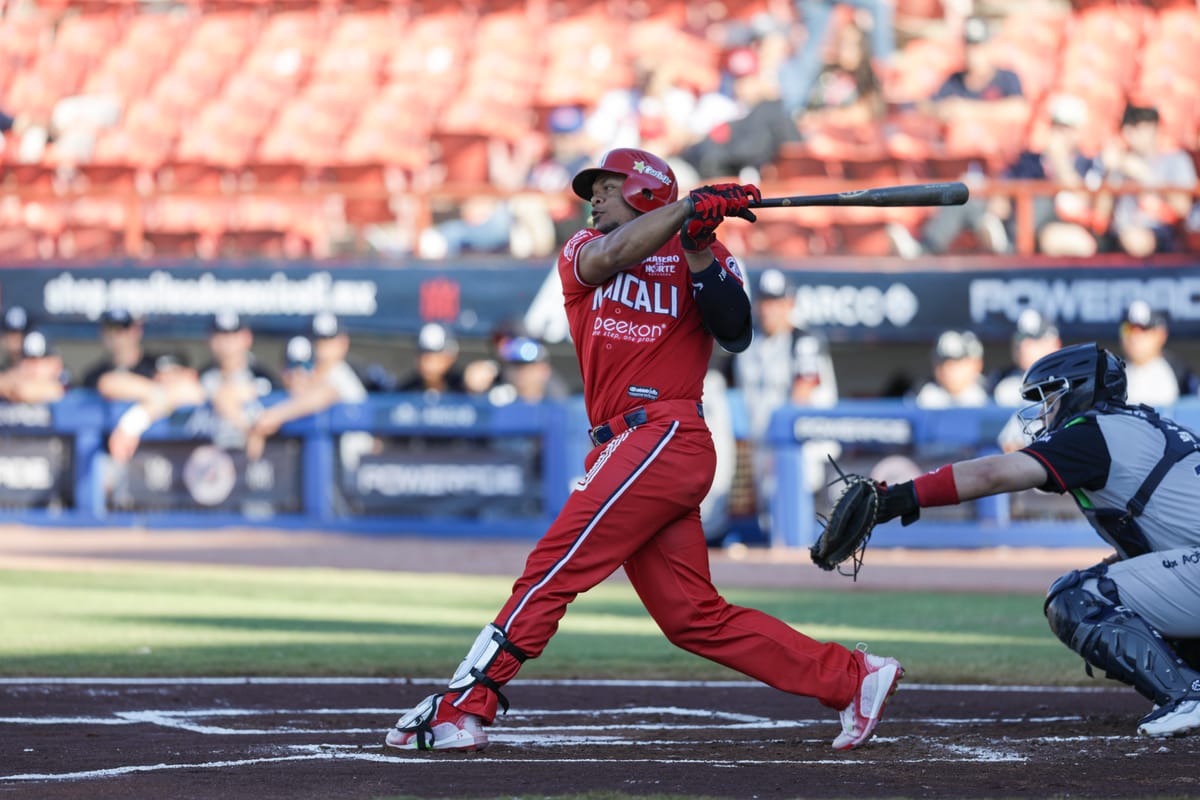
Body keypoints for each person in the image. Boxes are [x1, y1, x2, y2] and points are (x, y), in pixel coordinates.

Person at [385, 147, 903, 753]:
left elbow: (736, 332)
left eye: (606, 186)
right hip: (626, 443)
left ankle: (463, 706)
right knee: (691, 617)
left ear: (647, 191)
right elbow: (615, 253)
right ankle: (853, 680)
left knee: (553, 566)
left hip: (663, 434)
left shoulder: (701, 254)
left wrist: (700, 245)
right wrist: (689, 210)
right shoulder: (583, 250)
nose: (594, 198)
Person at [866, 342, 1200, 738]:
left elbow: (993, 474)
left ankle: (1187, 696)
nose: (1044, 410)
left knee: (1077, 597)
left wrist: (904, 496)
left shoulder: (1094, 432)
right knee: (1110, 580)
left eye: (1050, 396)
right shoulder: (1136, 426)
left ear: (1077, 390)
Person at [82, 309, 206, 464]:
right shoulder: (94, 374)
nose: (117, 335)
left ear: (136, 330)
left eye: (123, 328)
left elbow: (192, 391)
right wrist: (160, 395)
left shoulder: (156, 366)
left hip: (160, 458)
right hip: (113, 459)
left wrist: (132, 423)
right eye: (111, 328)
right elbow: (108, 383)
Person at [245, 312, 368, 462]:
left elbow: (325, 394)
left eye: (328, 340)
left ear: (343, 342)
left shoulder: (339, 373)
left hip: (355, 466)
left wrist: (273, 416)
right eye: (317, 340)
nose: (323, 348)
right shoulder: (315, 376)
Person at [1098, 104, 1198, 257]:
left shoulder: (1176, 160)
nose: (1135, 135)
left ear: (1156, 129)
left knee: (1137, 240)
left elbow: (1182, 208)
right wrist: (1110, 173)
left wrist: (1145, 176)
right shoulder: (1119, 163)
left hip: (1163, 233)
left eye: (1143, 127)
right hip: (1120, 236)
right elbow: (1101, 215)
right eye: (1130, 128)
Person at [197, 311, 278, 449]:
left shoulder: (262, 375)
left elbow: (275, 416)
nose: (227, 344)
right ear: (210, 340)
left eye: (233, 336)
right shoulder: (203, 376)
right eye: (221, 336)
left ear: (247, 338)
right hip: (210, 460)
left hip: (262, 460)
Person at [992, 310, 1063, 453]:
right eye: (1021, 339)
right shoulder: (1003, 385)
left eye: (1033, 340)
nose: (1023, 346)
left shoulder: (1070, 382)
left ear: (1055, 343)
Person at [1118, 300, 1199, 408]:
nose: (1135, 338)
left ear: (1161, 334)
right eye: (1129, 329)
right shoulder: (1111, 372)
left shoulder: (1179, 370)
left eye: (1143, 330)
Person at [912, 329, 989, 408]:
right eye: (941, 362)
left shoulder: (992, 393)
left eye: (957, 362)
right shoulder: (921, 396)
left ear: (977, 364)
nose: (946, 369)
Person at [396, 322, 469, 396]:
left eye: (434, 355)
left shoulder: (463, 386)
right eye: (422, 354)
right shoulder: (406, 390)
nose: (425, 361)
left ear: (449, 358)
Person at [0, 330, 68, 404]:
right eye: (29, 360)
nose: (33, 367)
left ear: (54, 364)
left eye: (39, 361)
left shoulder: (62, 382)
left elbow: (24, 391)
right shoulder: (15, 376)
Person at [1, 305, 30, 370]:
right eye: (12, 334)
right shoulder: (2, 357)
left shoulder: (33, 358)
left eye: (20, 335)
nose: (15, 340)